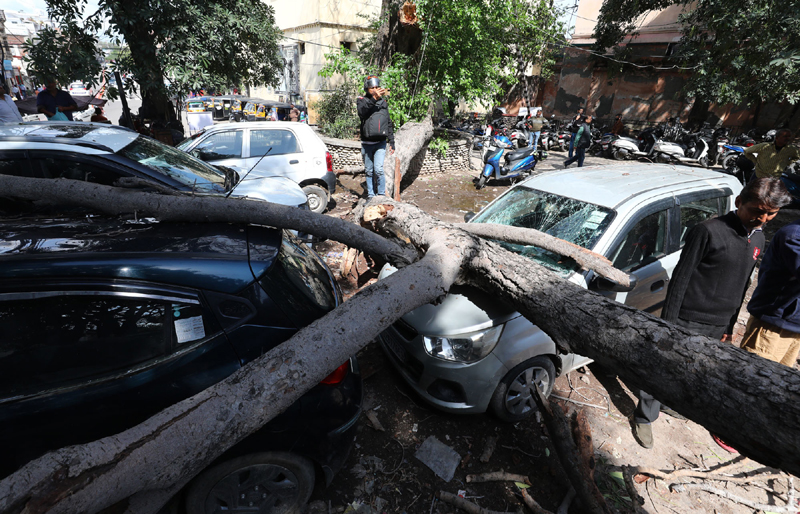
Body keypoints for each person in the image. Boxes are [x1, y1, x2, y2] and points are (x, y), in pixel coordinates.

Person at [632, 177, 792, 450]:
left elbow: (742, 284)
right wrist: (668, 326)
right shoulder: (707, 231)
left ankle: (671, 404)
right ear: (739, 202)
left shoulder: (759, 238)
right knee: (661, 367)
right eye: (757, 210)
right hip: (686, 318)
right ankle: (645, 415)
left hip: (717, 323)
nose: (762, 218)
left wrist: (729, 325)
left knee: (690, 369)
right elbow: (681, 279)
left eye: (770, 213)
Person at [741, 215, 800, 368]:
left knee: (779, 385)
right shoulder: (793, 236)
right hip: (772, 326)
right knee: (751, 381)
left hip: (794, 326)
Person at [357, 75, 395, 198]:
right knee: (368, 170)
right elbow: (362, 113)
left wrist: (392, 141)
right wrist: (373, 99)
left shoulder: (383, 103)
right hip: (367, 143)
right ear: (367, 89)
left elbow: (388, 122)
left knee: (378, 169)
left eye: (376, 87)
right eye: (371, 87)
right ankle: (371, 196)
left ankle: (381, 194)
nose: (374, 89)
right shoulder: (362, 100)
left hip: (380, 143)